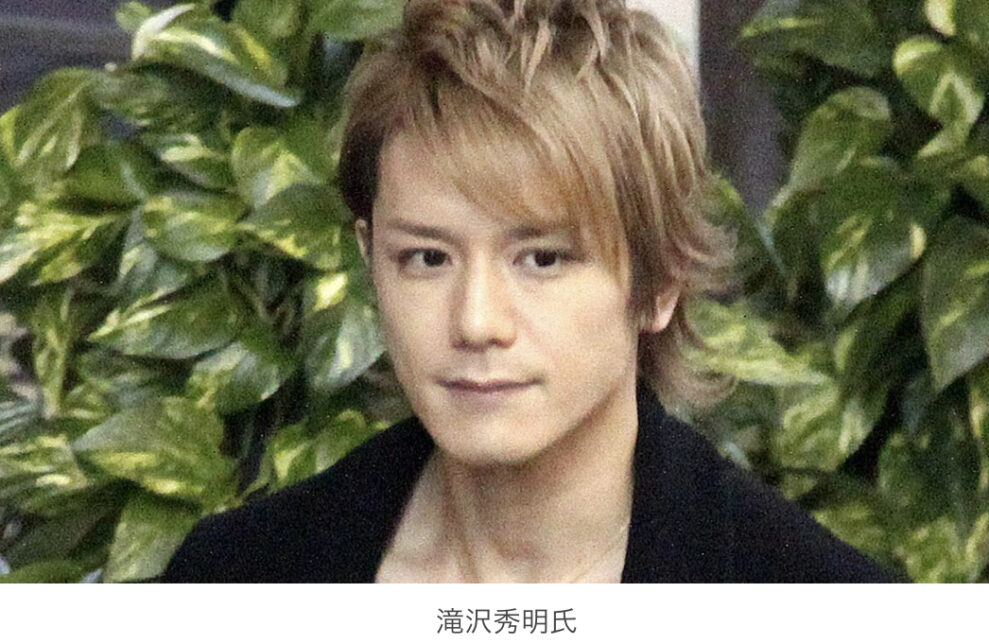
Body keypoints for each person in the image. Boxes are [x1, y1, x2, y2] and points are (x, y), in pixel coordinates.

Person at [163, 0, 891, 583]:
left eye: (541, 259)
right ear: (370, 261)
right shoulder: (236, 580)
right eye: (426, 258)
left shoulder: (820, 606)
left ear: (660, 281)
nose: (477, 321)